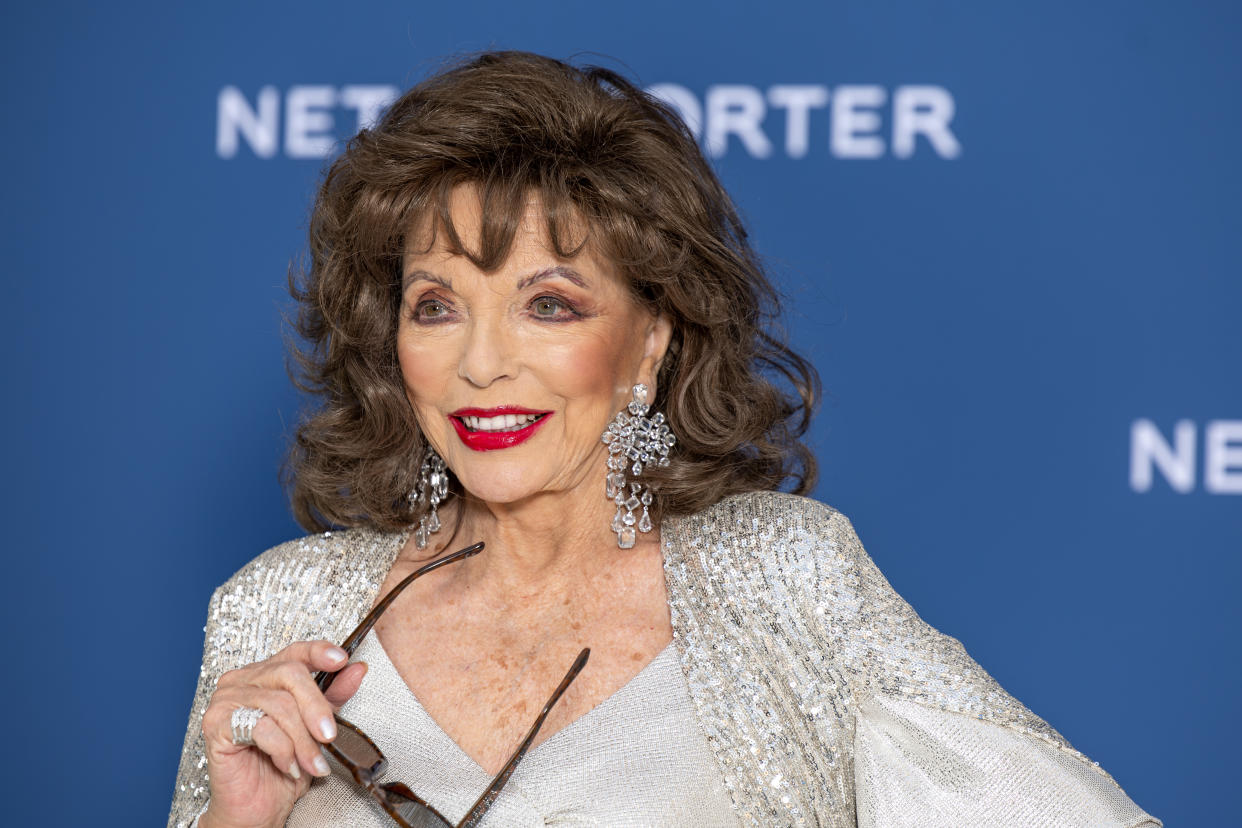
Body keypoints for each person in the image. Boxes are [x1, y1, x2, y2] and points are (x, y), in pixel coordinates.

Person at [168, 51, 1160, 828]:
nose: (481, 361)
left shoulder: (786, 580)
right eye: (436, 306)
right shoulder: (273, 608)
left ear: (652, 335)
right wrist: (238, 823)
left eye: (546, 305)